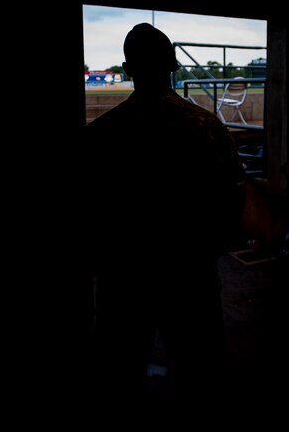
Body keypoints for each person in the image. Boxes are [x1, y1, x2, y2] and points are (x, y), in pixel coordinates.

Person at [80, 23, 247, 427]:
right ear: (172, 66)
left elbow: (86, 209)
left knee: (117, 375)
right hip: (188, 272)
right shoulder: (207, 127)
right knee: (202, 371)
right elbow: (231, 201)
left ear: (128, 68)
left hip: (123, 273)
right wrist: (209, 250)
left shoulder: (100, 134)